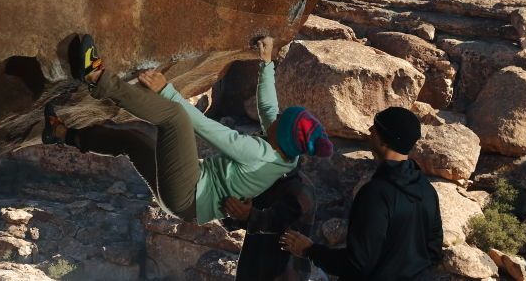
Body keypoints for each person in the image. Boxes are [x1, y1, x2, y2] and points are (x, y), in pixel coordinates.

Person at [42, 34, 334, 225]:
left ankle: (96, 76)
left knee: (174, 118)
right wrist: (266, 63)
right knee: (133, 139)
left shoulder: (259, 153)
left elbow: (205, 127)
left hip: (190, 194)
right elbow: (269, 109)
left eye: (282, 120)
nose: (276, 117)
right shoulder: (287, 152)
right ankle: (62, 134)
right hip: (192, 196)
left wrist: (167, 91)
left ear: (281, 136)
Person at [280, 106, 443, 281]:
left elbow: (357, 264)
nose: (370, 131)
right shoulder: (427, 190)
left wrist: (309, 250)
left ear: (383, 141)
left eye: (375, 128)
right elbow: (433, 253)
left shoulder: (376, 194)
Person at [223, 168, 316, 281]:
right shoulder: (265, 180)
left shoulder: (301, 189)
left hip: (285, 274)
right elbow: (231, 222)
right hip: (253, 268)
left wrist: (245, 216)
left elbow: (274, 221)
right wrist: (232, 209)